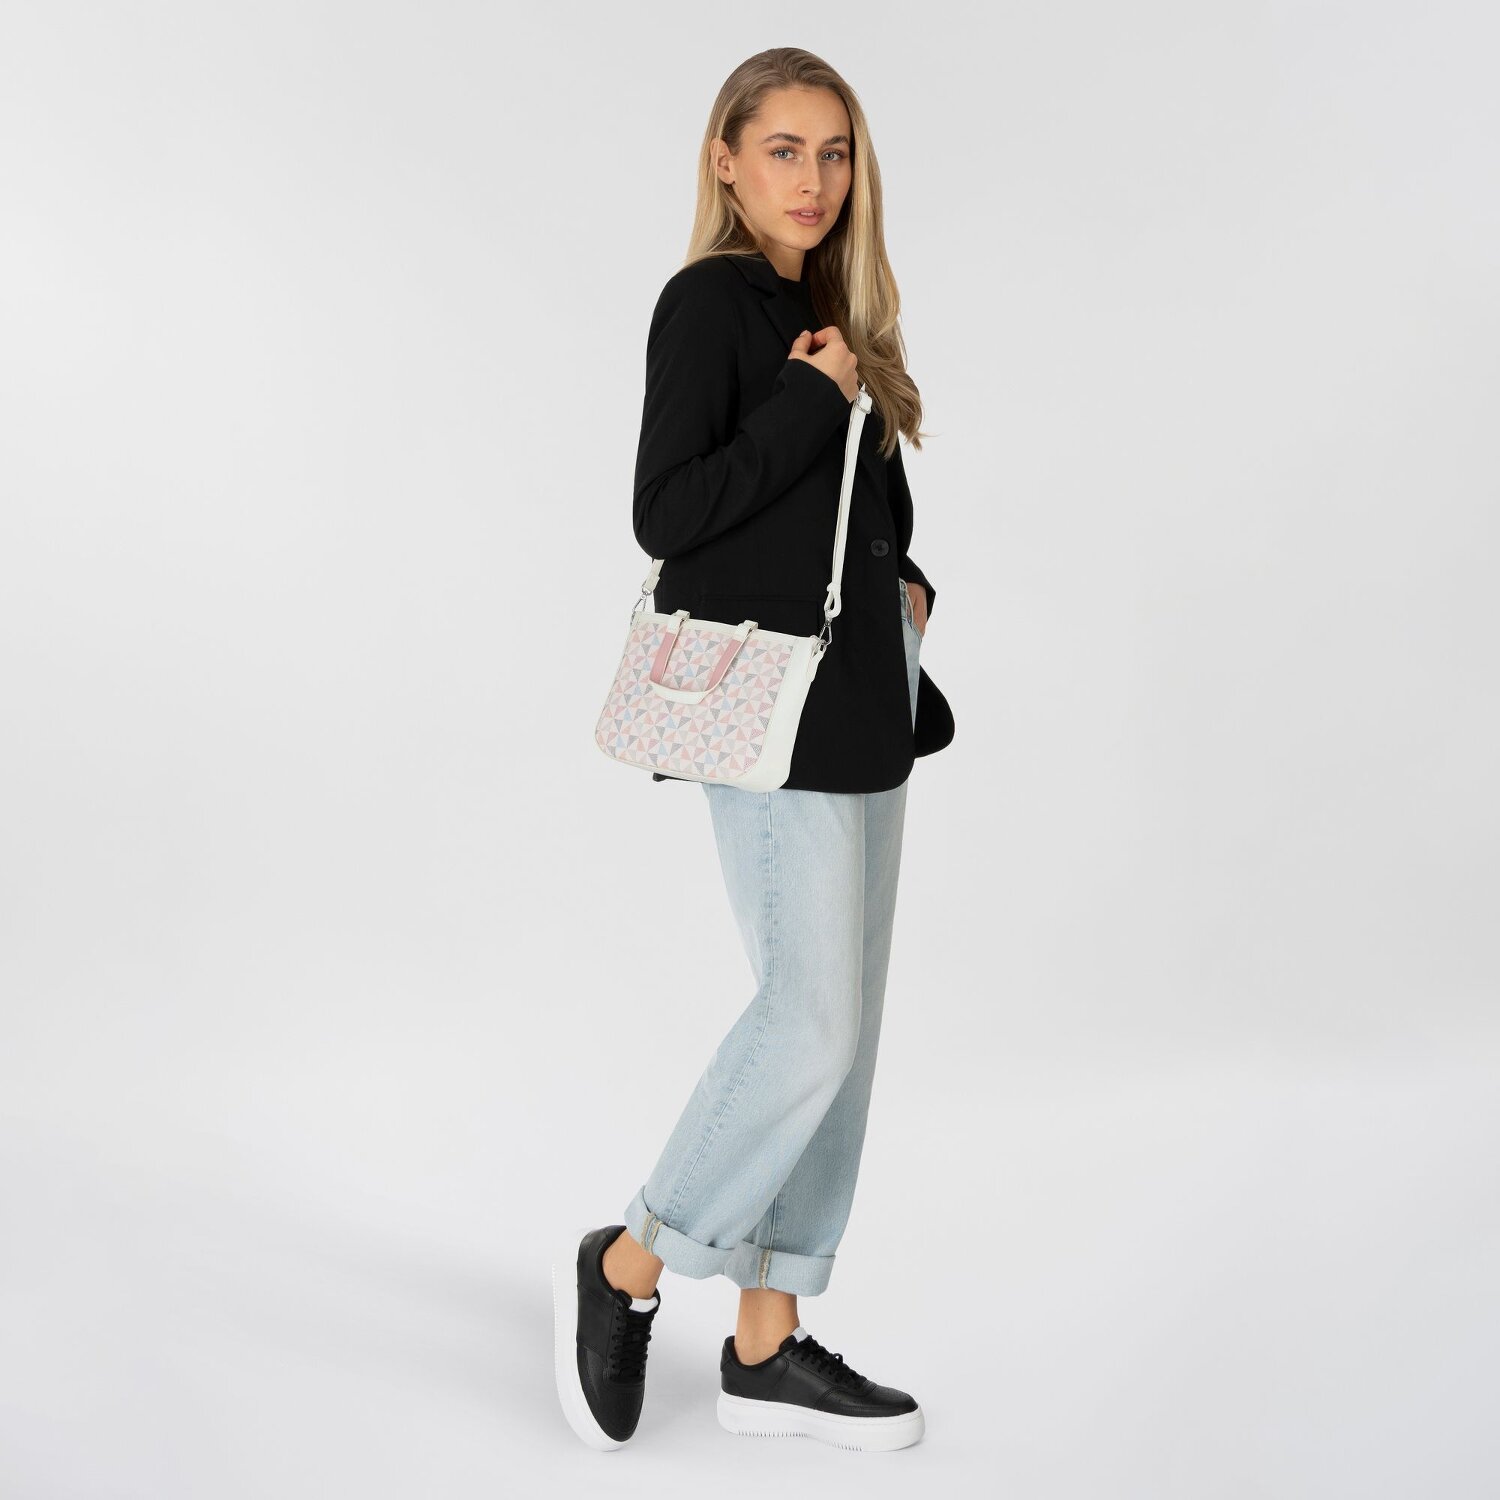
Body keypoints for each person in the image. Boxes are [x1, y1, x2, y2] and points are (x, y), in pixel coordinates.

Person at [554, 45, 954, 1455]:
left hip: (866, 700)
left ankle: (769, 1342)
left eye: (834, 152)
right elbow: (671, 513)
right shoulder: (710, 305)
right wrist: (807, 401)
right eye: (784, 148)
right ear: (726, 161)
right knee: (807, 1021)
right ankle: (631, 1260)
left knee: (847, 1040)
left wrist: (911, 585)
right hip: (770, 713)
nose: (813, 179)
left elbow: (842, 519)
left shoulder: (834, 311)